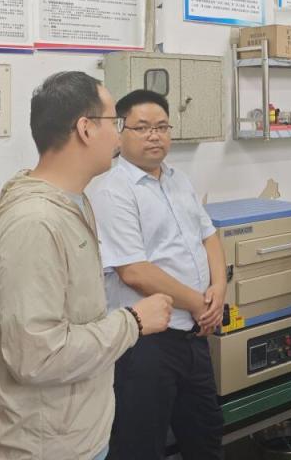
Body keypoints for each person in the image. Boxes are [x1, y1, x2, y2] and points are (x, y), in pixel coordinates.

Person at [0, 72, 173, 459]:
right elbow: (38, 356)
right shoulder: (34, 224)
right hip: (43, 448)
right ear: (85, 128)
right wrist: (133, 321)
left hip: (77, 435)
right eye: (114, 122)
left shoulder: (74, 203)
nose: (118, 135)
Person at [87, 89, 226, 459]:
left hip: (194, 335)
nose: (154, 135)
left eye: (162, 127)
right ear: (120, 132)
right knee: (140, 445)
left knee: (206, 435)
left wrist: (219, 289)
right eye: (143, 127)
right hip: (146, 345)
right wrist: (199, 303)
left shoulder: (178, 179)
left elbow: (209, 235)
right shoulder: (112, 189)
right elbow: (134, 271)